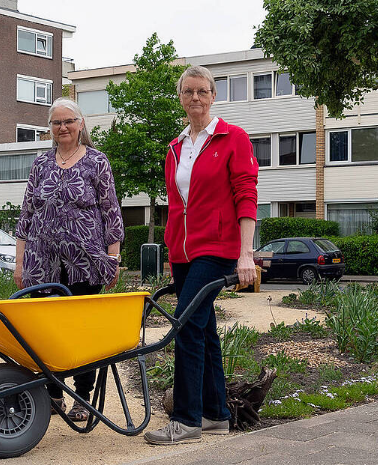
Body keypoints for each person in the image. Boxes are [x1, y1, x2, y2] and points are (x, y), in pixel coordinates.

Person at [144, 66, 258, 445]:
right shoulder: (176, 148)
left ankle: (187, 419)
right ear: (181, 97)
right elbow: (176, 207)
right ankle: (216, 415)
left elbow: (246, 195)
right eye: (188, 91)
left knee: (186, 325)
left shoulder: (233, 138)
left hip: (218, 249)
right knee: (204, 330)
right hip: (183, 253)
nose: (196, 98)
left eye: (202, 91)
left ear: (213, 96)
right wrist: (169, 253)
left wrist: (245, 254)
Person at [14, 97, 124, 422]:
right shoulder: (40, 164)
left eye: (68, 121)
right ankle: (53, 393)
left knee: (81, 332)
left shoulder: (97, 162)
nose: (62, 127)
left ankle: (82, 396)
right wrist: (19, 264)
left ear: (80, 125)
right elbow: (26, 215)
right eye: (56, 122)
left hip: (86, 263)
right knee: (47, 332)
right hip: (41, 263)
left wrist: (113, 260)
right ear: (51, 128)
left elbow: (111, 213)